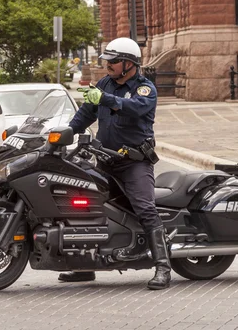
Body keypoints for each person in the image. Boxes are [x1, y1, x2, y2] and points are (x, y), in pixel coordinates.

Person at [59, 37, 171, 290]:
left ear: (129, 64)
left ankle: (163, 266)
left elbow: (133, 108)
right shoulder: (105, 83)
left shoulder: (145, 88)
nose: (108, 65)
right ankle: (86, 266)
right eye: (107, 60)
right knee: (85, 206)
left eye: (113, 61)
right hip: (105, 160)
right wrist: (63, 135)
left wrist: (105, 99)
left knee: (144, 207)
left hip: (134, 163)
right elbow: (85, 114)